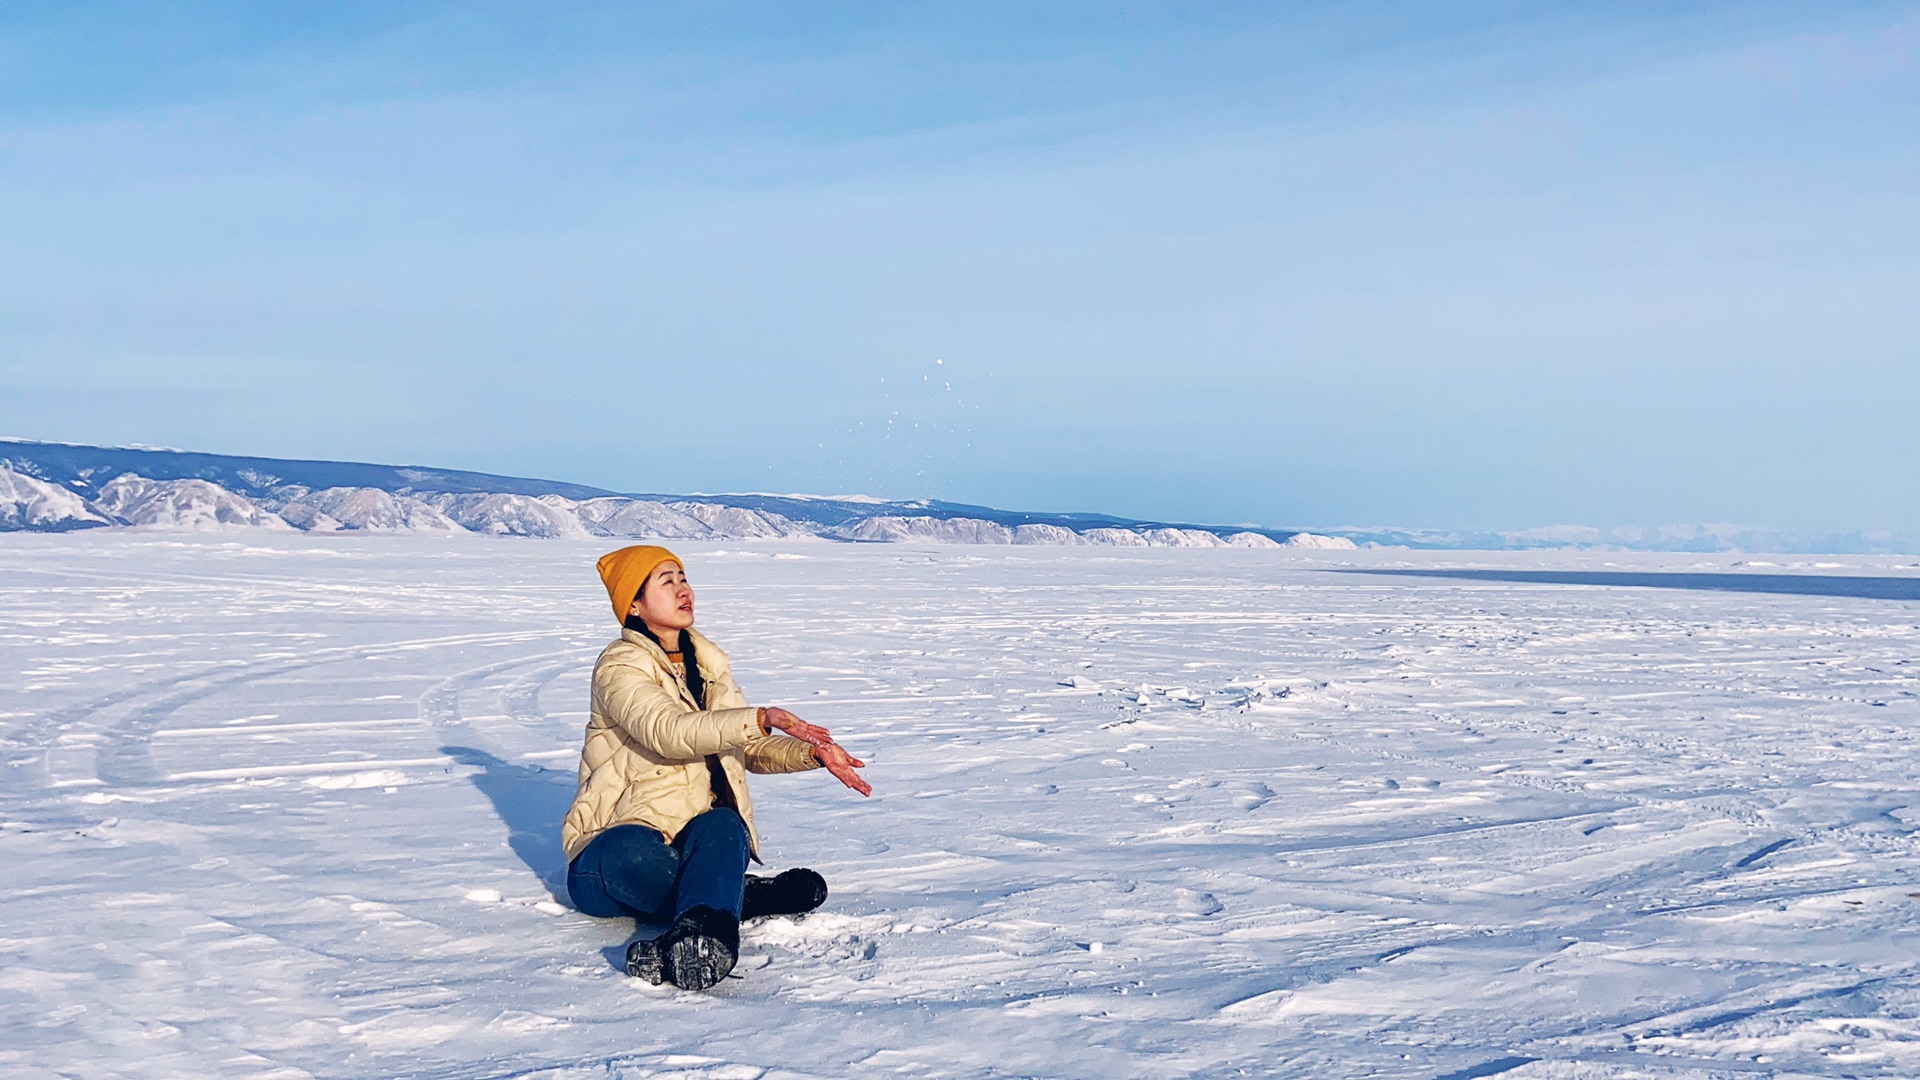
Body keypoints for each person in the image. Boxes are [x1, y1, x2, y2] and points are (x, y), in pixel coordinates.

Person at [562, 545, 871, 990]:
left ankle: (702, 934)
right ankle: (733, 896)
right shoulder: (620, 665)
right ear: (633, 603)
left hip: (689, 840)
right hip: (608, 852)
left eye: (683, 578)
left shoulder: (707, 666)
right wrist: (759, 716)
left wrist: (811, 754)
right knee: (629, 849)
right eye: (666, 581)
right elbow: (668, 731)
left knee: (726, 823)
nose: (683, 589)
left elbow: (740, 746)